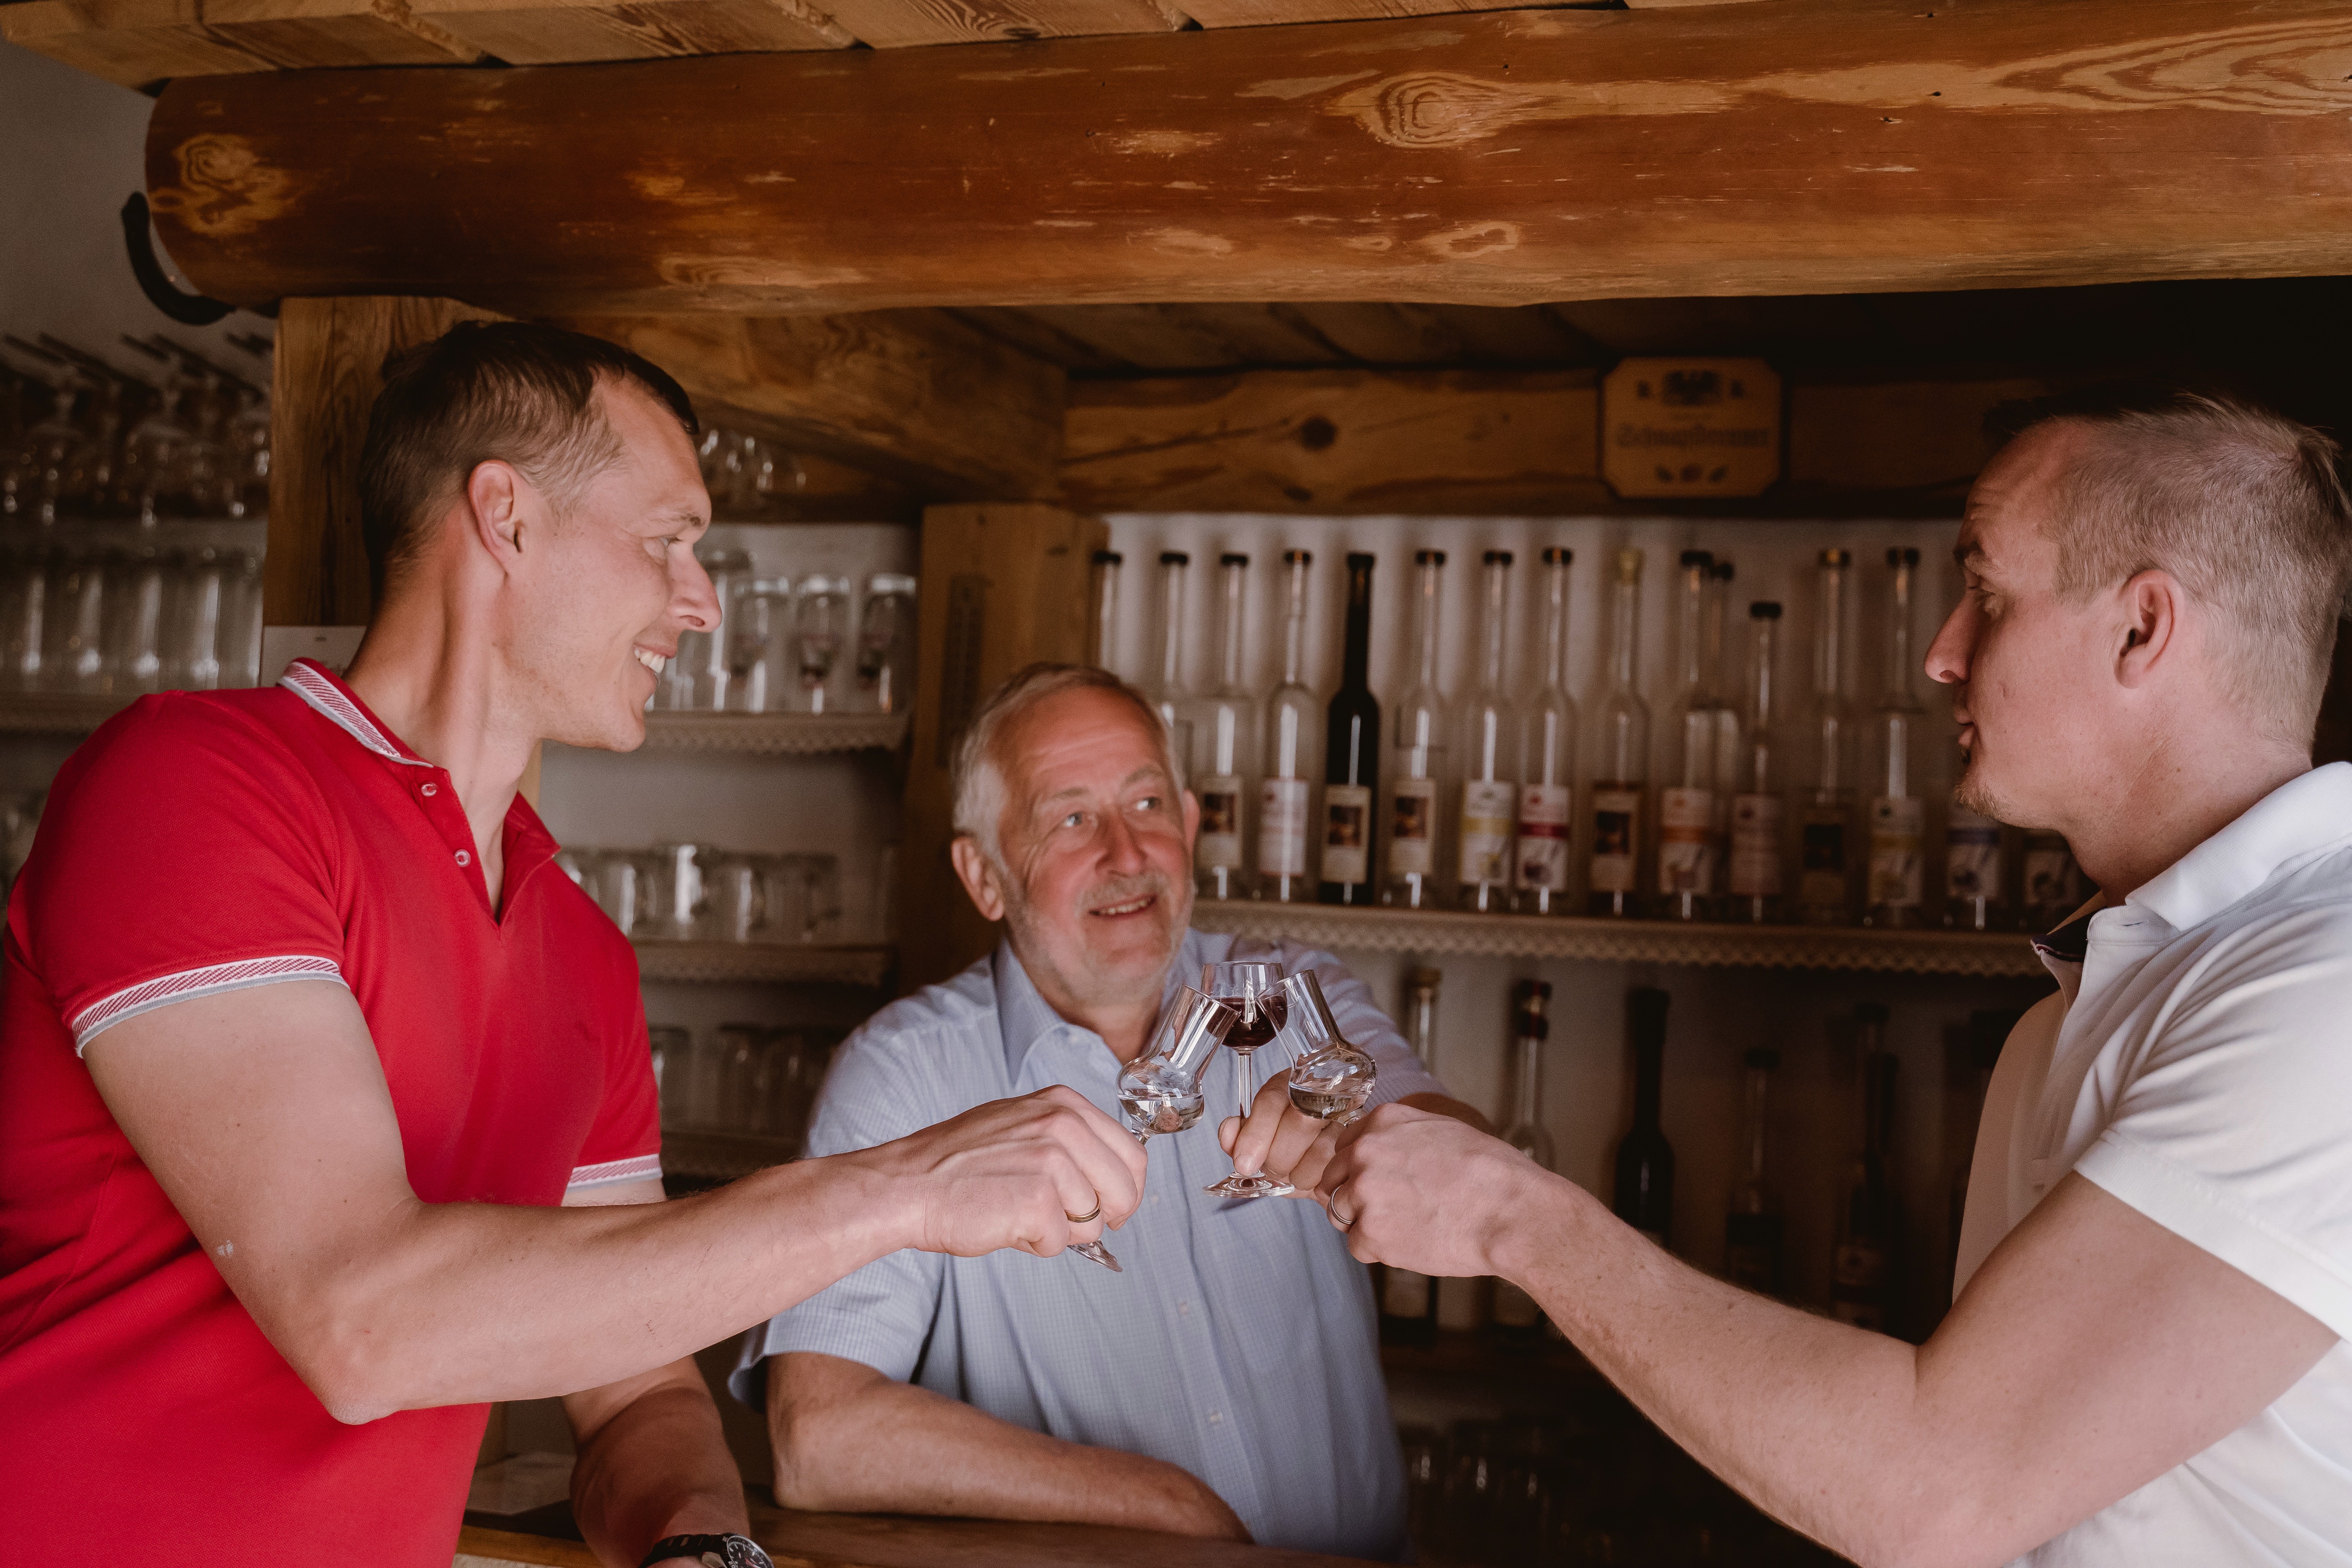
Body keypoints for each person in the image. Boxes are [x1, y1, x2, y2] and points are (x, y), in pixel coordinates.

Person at [0, 324, 1145, 1568]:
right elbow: (361, 1320)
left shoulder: (579, 947)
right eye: (668, 542)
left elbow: (640, 1394)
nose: (701, 602)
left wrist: (698, 1547)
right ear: (506, 517)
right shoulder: (195, 784)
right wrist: (901, 1192)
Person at [1317, 391, 2352, 1566]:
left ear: (2139, 631)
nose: (1941, 652)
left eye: (1990, 597)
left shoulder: (2327, 988)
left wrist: (1510, 1216)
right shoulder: (2084, 1006)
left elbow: (1938, 1488)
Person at [733, 662, 1486, 1559]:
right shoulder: (903, 1075)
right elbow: (819, 1440)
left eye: (1149, 806)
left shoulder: (1298, 1003)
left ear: (1192, 824)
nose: (1127, 856)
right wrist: (1162, 1506)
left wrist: (1398, 1146)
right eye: (1073, 819)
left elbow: (1476, 1177)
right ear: (985, 875)